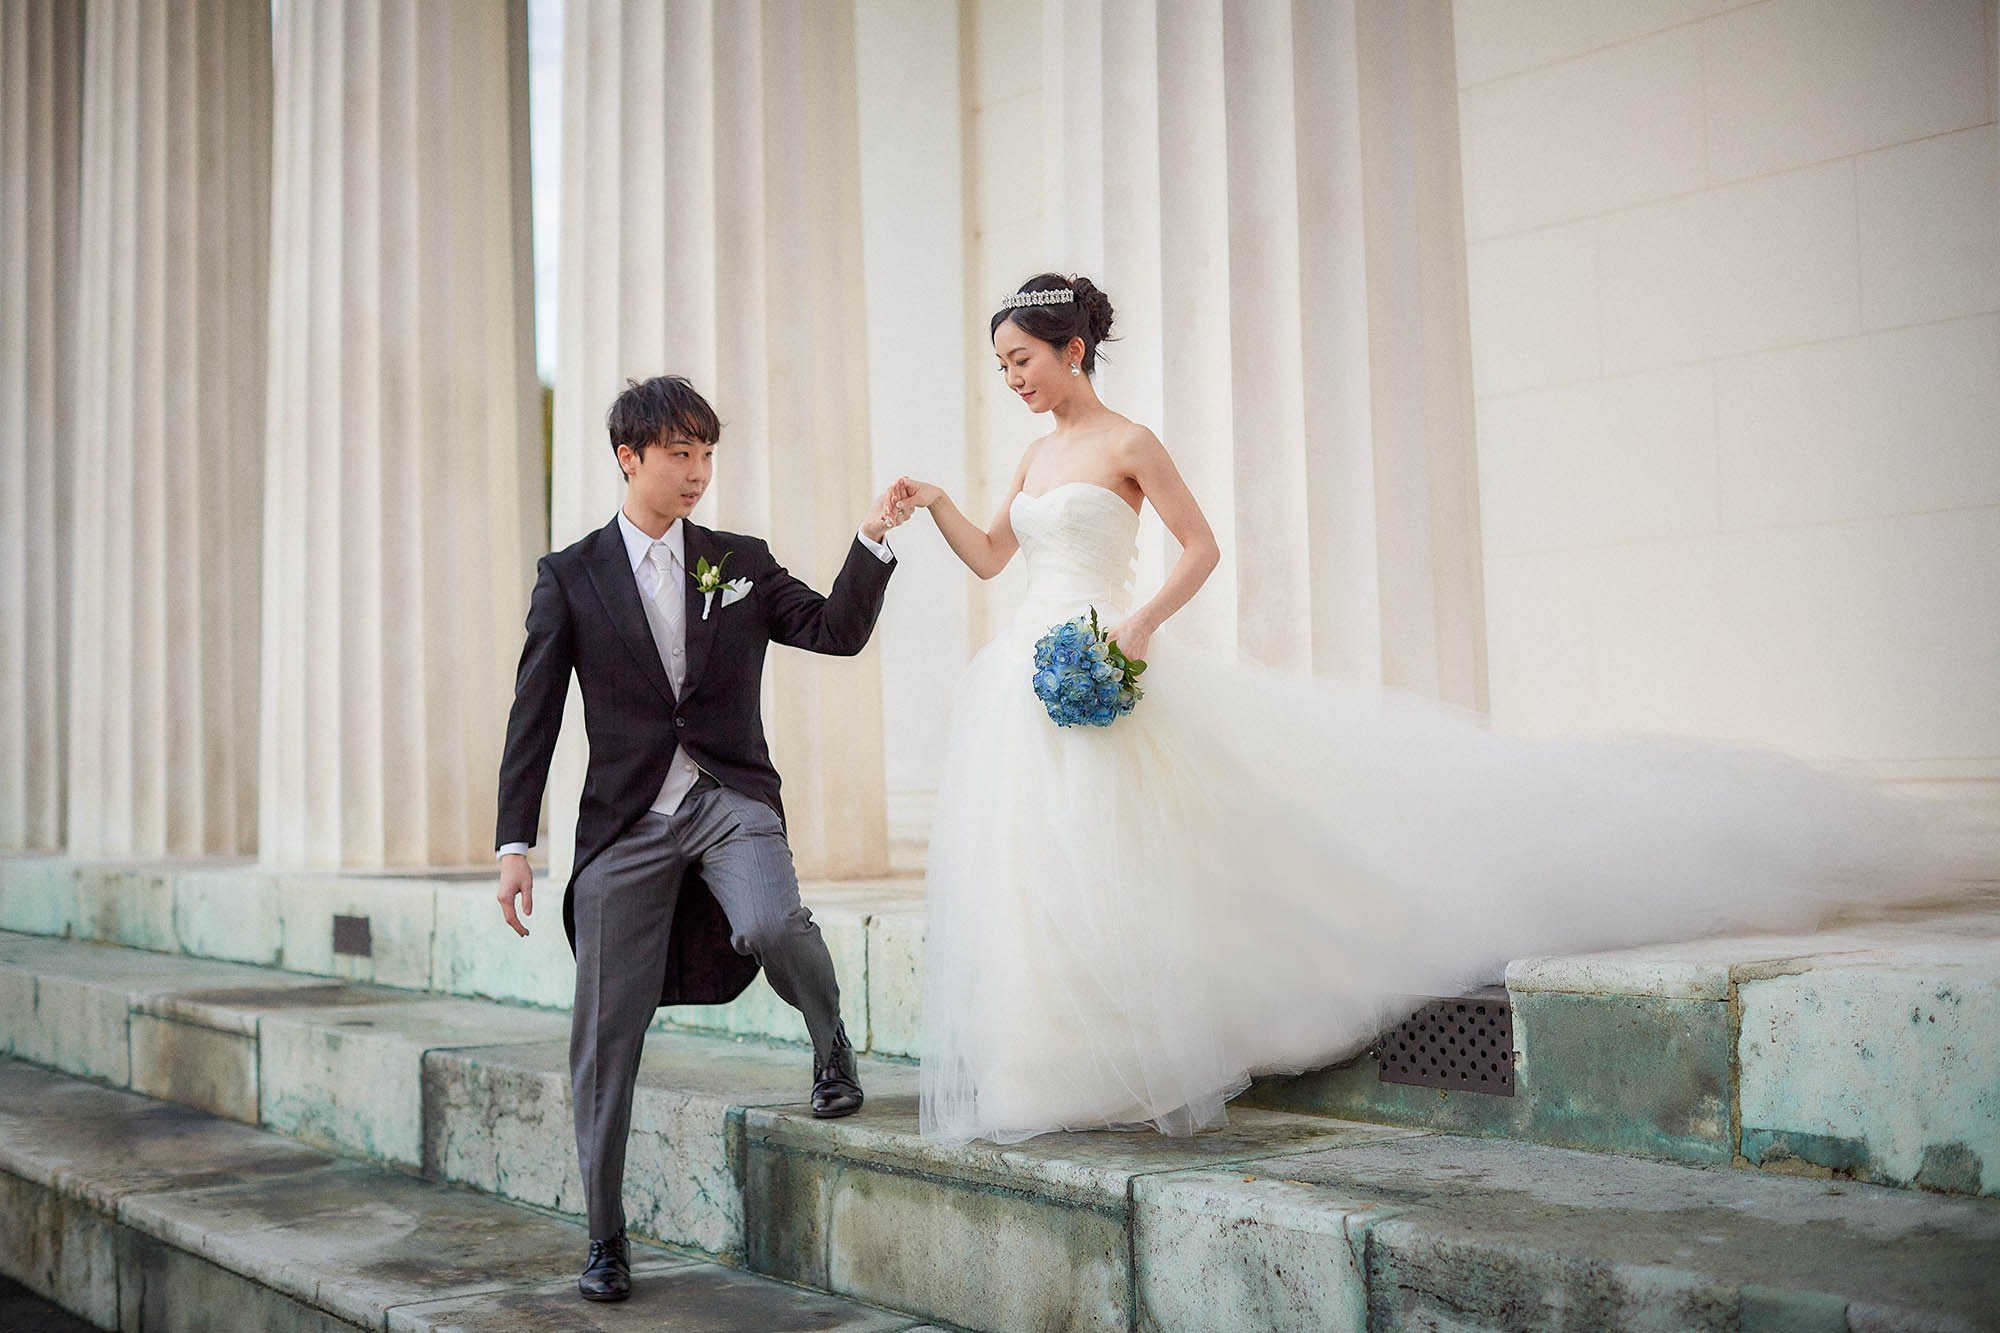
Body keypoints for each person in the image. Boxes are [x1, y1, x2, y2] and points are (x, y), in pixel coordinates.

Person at [895, 273, 1945, 1146]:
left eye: (1020, 360)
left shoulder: (1129, 443)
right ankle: (1056, 1060)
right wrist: (935, 503)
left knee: (1122, 852)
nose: (1013, 381)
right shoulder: (1031, 458)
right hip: (1025, 672)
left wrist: (1138, 627)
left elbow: (1202, 548)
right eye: (1001, 368)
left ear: (1072, 347)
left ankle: (1140, 1041)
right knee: (1041, 869)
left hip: (1106, 657)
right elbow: (995, 556)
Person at [494, 375, 909, 1302]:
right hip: (626, 823)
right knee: (604, 1037)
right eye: (678, 453)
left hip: (726, 793)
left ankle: (829, 1035)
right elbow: (536, 712)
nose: (696, 472)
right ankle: (605, 1238)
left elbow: (835, 632)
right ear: (628, 457)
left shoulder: (739, 559)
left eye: (705, 453)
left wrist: (872, 538)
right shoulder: (571, 575)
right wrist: (513, 841)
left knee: (770, 922)